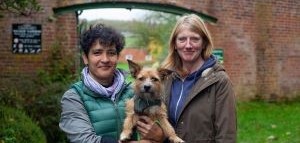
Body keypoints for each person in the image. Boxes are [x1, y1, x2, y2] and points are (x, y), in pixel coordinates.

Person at [59, 24, 164, 143]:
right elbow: (84, 139)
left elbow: (155, 123)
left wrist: (160, 135)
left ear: (118, 57)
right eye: (97, 52)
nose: (105, 59)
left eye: (111, 53)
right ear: (85, 58)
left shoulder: (133, 92)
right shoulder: (74, 97)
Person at [161, 14, 237, 142]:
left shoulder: (219, 81)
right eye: (182, 39)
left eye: (195, 39)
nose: (188, 45)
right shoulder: (165, 78)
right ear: (174, 44)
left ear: (204, 43)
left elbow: (226, 136)